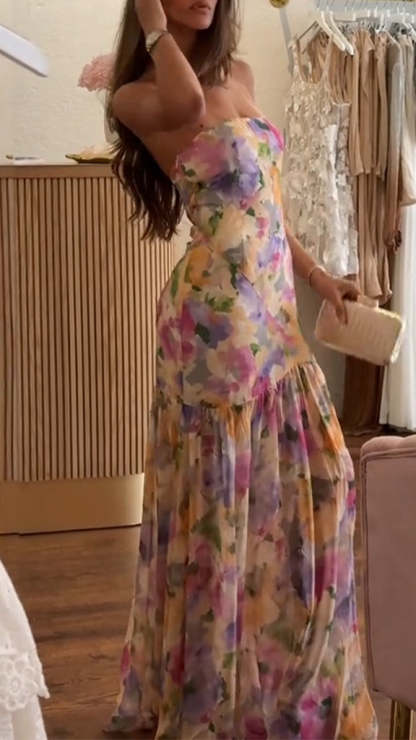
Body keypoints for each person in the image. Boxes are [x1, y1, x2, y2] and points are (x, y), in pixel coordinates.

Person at [105, 1, 378, 737]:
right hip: (214, 325)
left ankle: (289, 682)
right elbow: (188, 104)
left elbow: (267, 205)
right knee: (220, 515)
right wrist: (154, 27)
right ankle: (215, 695)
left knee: (328, 478)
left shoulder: (244, 74)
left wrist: (319, 277)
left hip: (275, 316)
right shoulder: (135, 96)